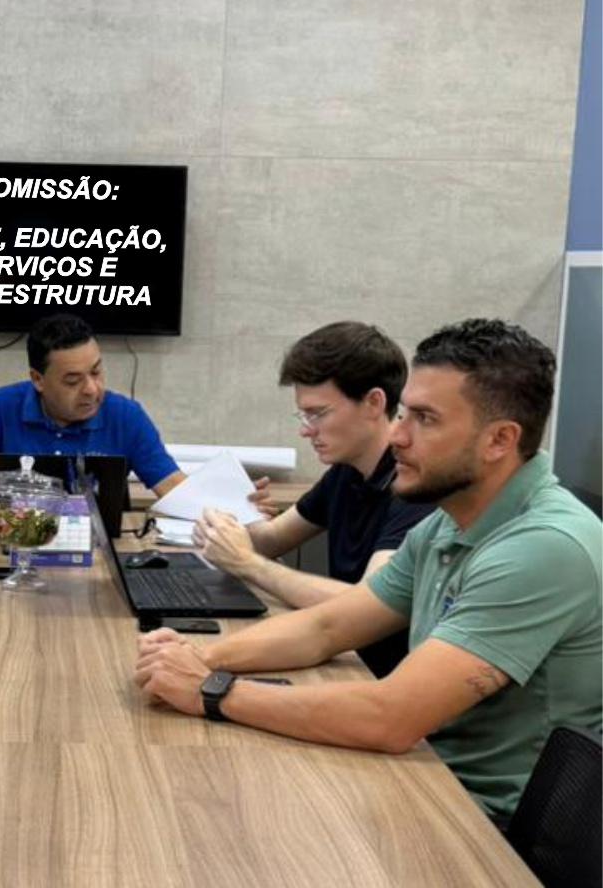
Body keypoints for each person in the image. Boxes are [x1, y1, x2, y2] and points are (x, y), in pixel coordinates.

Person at [134, 319, 601, 826]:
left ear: (500, 440)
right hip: (425, 775)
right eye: (405, 413)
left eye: (425, 419)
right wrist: (200, 657)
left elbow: (391, 717)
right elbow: (327, 627)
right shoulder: (450, 521)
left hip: (486, 826)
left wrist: (212, 690)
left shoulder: (543, 547)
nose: (397, 435)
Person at [193, 322, 434, 676]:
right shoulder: (347, 471)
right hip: (345, 657)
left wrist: (247, 563)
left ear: (374, 403)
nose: (306, 429)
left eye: (318, 413)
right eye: (303, 414)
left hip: (380, 677)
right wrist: (235, 520)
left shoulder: (418, 486)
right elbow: (271, 539)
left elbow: (367, 606)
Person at [0, 313, 185, 511]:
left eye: (96, 372)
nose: (91, 389)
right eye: (73, 381)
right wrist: (26, 504)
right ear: (38, 380)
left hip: (101, 550)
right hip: (16, 541)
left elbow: (176, 488)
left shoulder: (126, 416)